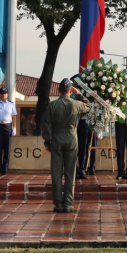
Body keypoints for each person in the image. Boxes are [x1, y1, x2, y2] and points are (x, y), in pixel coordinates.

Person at [40, 78, 90, 212]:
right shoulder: (77, 104)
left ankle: (57, 203)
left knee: (56, 173)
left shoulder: (52, 105)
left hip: (57, 138)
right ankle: (67, 204)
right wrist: (79, 94)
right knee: (70, 173)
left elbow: (46, 126)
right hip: (71, 138)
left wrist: (47, 142)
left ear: (58, 90)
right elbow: (89, 105)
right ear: (71, 91)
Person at [0, 85, 17, 175]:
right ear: (0, 94)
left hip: (8, 126)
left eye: (4, 94)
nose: (3, 95)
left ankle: (5, 169)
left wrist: (14, 128)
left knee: (7, 149)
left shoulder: (11, 104)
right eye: (1, 94)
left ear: (7, 94)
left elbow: (14, 117)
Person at [76, 112, 97, 178]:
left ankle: (92, 168)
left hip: (93, 120)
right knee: (83, 145)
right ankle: (82, 168)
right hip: (82, 120)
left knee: (93, 144)